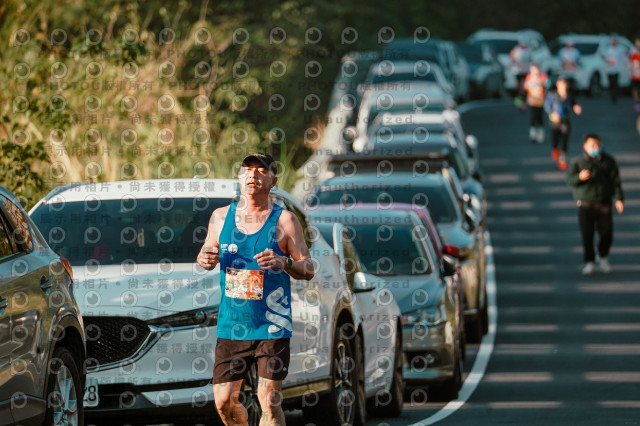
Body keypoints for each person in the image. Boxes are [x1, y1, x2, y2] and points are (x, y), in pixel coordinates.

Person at [197, 152, 314, 426]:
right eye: (247, 169)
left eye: (261, 171)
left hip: (272, 324)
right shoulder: (219, 217)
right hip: (232, 325)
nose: (253, 175)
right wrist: (204, 258)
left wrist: (284, 262)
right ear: (239, 177)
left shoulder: (285, 221)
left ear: (273, 181)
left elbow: (308, 268)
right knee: (224, 402)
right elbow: (205, 253)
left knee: (269, 401)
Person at [566, 134, 624, 275]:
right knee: (587, 235)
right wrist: (579, 177)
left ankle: (602, 255)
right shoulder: (578, 162)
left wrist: (619, 199)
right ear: (585, 146)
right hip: (586, 204)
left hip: (604, 204)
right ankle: (589, 262)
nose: (596, 147)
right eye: (592, 145)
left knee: (607, 234)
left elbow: (616, 181)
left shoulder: (609, 161)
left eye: (598, 144)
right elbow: (569, 180)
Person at [544, 76, 582, 170]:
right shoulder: (552, 95)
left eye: (565, 84)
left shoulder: (569, 95)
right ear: (557, 84)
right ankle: (555, 148)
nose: (563, 86)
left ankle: (562, 160)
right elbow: (547, 106)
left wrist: (576, 107)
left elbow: (573, 103)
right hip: (554, 121)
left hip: (565, 120)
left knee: (564, 140)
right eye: (561, 84)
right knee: (555, 139)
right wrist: (552, 114)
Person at [524, 64, 548, 143]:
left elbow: (548, 85)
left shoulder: (543, 77)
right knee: (533, 117)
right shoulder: (529, 78)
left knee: (540, 117)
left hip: (541, 101)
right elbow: (526, 87)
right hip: (532, 100)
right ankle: (532, 134)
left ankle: (541, 134)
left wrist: (541, 82)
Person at [601, 36, 627, 103]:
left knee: (615, 83)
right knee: (611, 83)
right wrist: (609, 61)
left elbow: (624, 57)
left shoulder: (620, 49)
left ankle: (614, 96)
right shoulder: (608, 49)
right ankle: (612, 95)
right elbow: (605, 57)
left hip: (617, 69)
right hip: (609, 69)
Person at [511, 39, 532, 110]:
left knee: (524, 86)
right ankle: (518, 101)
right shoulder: (516, 50)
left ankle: (523, 101)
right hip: (517, 71)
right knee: (519, 86)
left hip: (526, 71)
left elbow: (531, 59)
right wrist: (520, 65)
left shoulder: (528, 51)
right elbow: (512, 59)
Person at [629, 36, 640, 112]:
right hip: (635, 75)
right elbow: (630, 62)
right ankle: (637, 103)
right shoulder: (633, 53)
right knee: (635, 89)